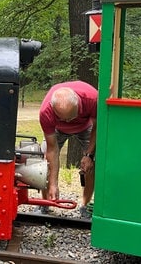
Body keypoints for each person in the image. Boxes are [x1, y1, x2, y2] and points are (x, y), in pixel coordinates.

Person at [38, 80, 97, 218]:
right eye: (63, 118)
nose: (68, 122)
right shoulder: (46, 111)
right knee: (42, 160)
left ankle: (85, 204)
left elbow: (98, 127)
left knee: (94, 162)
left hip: (86, 127)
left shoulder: (92, 98)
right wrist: (53, 183)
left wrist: (89, 155)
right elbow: (52, 150)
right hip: (57, 130)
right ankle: (46, 203)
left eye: (71, 117)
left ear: (78, 105)